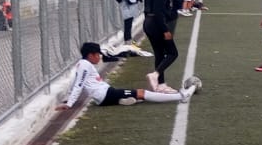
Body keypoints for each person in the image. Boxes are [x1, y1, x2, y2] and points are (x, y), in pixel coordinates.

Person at [57, 42, 195, 110]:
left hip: (105, 95)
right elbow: (78, 85)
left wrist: (68, 98)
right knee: (142, 93)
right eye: (98, 55)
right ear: (90, 55)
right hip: (105, 95)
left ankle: (123, 99)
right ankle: (181, 96)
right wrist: (69, 104)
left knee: (133, 95)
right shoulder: (85, 65)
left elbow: (75, 83)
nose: (99, 57)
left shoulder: (82, 65)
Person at [143, 0, 179, 91]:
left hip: (148, 23)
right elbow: (158, 11)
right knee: (173, 53)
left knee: (159, 54)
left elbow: (147, 8)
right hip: (156, 24)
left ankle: (160, 85)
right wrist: (165, 29)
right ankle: (155, 75)